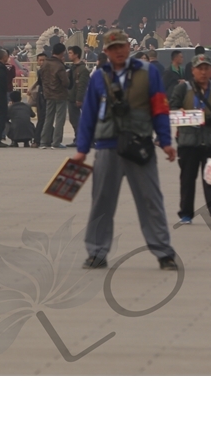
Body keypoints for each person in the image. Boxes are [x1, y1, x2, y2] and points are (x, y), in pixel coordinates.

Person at [72, 28, 177, 271]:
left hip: (140, 146)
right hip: (107, 147)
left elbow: (159, 107)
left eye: (122, 46)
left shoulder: (148, 73)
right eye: (113, 48)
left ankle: (164, 252)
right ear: (106, 52)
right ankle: (97, 253)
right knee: (102, 201)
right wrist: (82, 148)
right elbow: (88, 114)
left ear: (128, 48)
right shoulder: (99, 77)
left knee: (151, 200)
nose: (119, 51)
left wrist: (166, 140)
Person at [169, 56, 211, 228]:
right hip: (188, 142)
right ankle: (185, 214)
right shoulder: (183, 89)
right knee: (187, 179)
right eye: (200, 68)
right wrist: (183, 112)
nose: (204, 72)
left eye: (207, 68)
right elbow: (172, 108)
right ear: (193, 70)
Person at [34, 43, 71, 151]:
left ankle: (44, 142)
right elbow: (65, 82)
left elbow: (42, 79)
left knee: (48, 118)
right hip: (60, 94)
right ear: (62, 52)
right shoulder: (59, 66)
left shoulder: (45, 64)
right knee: (60, 119)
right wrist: (67, 76)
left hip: (48, 94)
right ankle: (56, 142)